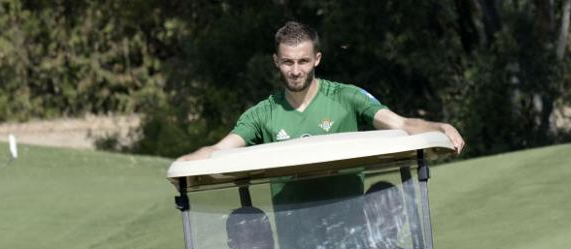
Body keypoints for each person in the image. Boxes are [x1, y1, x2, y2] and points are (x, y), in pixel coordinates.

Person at [177, 21, 464, 161]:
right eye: (287, 62)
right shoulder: (262, 114)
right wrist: (186, 163)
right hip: (294, 238)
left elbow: (401, 124)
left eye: (303, 61)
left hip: (349, 227)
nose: (295, 70)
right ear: (276, 61)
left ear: (317, 59)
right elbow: (218, 150)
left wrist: (439, 126)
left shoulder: (346, 97)